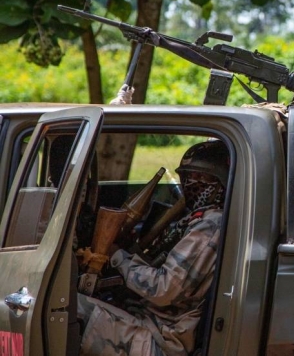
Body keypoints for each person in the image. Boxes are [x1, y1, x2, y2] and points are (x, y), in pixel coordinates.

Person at [79, 140, 229, 356]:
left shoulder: (210, 225)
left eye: (201, 178)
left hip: (161, 339)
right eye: (187, 178)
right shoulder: (197, 220)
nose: (191, 184)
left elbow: (163, 289)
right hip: (150, 320)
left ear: (222, 182)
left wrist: (117, 256)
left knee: (64, 311)